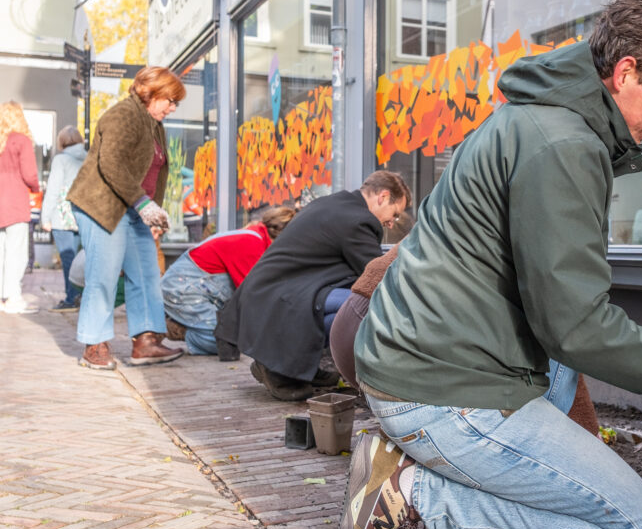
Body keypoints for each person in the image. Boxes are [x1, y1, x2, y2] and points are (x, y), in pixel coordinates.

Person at [340, 0, 642, 529]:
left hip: (432, 354)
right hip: (442, 388)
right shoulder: (564, 146)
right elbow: (575, 326)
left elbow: (564, 310)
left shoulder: (542, 119)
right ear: (626, 73)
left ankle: (443, 464)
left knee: (571, 395)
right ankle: (411, 495)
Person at [329, 246, 603, 437]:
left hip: (352, 319)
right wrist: (588, 440)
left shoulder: (469, 213)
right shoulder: (530, 257)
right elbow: (559, 353)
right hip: (387, 328)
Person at [214, 170, 411, 401]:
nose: (392, 223)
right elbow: (377, 276)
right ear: (383, 197)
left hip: (268, 295)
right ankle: (276, 368)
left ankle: (298, 367)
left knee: (349, 306)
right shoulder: (357, 220)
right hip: (284, 298)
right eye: (395, 214)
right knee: (363, 307)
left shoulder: (334, 204)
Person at [66, 66, 186, 370]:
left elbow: (153, 173)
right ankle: (94, 345)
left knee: (146, 273)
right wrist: (143, 204)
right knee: (103, 275)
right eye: (171, 100)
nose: (173, 108)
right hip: (103, 205)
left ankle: (145, 342)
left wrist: (152, 212)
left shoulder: (154, 123)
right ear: (152, 92)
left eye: (176, 103)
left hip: (134, 209)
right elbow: (112, 164)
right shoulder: (123, 114)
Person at [162, 205, 296, 356]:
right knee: (227, 342)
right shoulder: (252, 243)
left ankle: (183, 322)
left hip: (192, 287)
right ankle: (175, 329)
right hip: (182, 287)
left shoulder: (256, 237)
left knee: (237, 338)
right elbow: (254, 298)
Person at [0, 101, 40, 314]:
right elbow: (29, 174)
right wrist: (35, 188)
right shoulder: (21, 141)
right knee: (17, 251)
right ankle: (13, 297)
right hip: (15, 199)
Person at [41, 125, 88, 312]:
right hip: (83, 214)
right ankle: (81, 296)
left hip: (62, 215)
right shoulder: (88, 157)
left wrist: (45, 217)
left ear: (61, 141)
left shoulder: (61, 160)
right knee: (81, 258)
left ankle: (71, 298)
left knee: (68, 258)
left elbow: (53, 189)